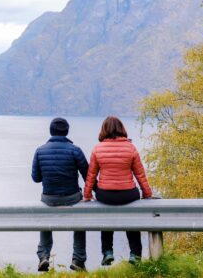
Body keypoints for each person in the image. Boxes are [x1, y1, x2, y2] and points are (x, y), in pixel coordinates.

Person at [83, 116, 153, 266]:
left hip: (105, 194)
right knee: (132, 221)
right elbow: (140, 174)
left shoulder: (98, 148)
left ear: (104, 130)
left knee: (106, 220)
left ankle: (107, 252)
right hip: (128, 194)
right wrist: (147, 193)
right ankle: (135, 254)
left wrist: (87, 195)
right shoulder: (131, 148)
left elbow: (91, 175)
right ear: (122, 129)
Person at [31, 117, 89, 272]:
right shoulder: (75, 150)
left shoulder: (40, 150)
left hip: (49, 198)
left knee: (45, 222)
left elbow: (36, 178)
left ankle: (43, 256)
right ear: (67, 131)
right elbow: (87, 175)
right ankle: (78, 259)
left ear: (51, 131)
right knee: (79, 223)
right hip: (72, 197)